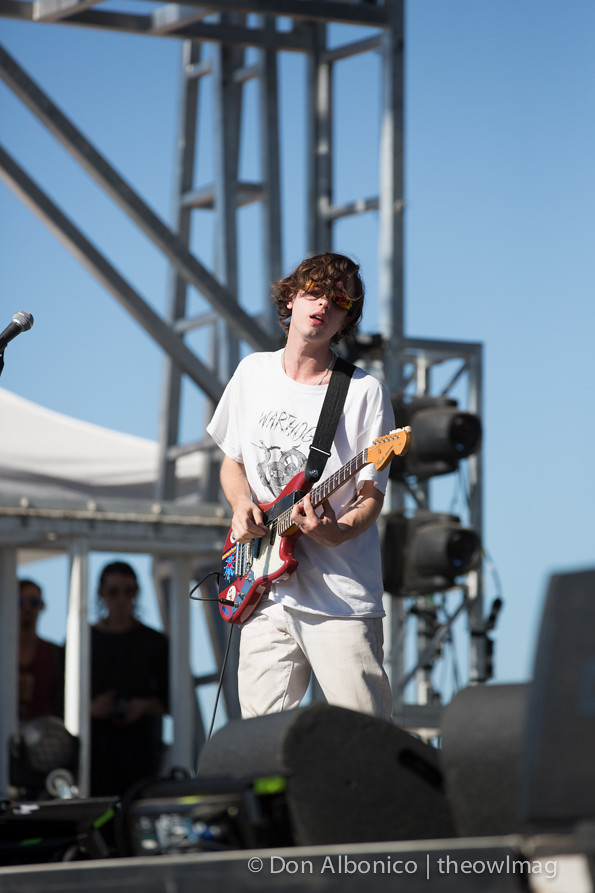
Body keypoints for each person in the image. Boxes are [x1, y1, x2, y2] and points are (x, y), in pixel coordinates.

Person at [206, 251, 395, 720]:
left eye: (338, 301)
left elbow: (371, 497)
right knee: (259, 746)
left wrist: (337, 531)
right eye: (314, 292)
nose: (323, 305)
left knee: (366, 741)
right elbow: (232, 464)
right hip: (264, 594)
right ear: (290, 296)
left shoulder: (363, 392)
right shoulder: (253, 373)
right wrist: (240, 505)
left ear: (346, 319)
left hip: (339, 599)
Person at [90, 561, 169, 797]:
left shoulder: (155, 642)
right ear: (101, 594)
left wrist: (143, 706)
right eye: (114, 592)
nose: (122, 599)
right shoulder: (82, 641)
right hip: (94, 757)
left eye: (129, 591)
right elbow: (59, 699)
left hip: (142, 755)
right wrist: (91, 708)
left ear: (137, 594)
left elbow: (170, 700)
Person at [18, 578, 64, 722]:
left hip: (46, 739)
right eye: (19, 602)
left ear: (42, 605)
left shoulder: (55, 653)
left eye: (33, 602)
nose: (27, 608)